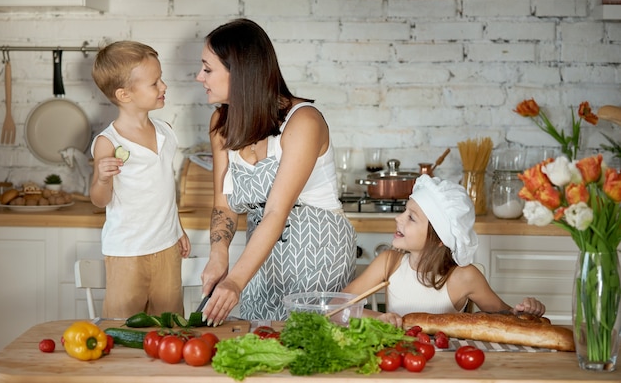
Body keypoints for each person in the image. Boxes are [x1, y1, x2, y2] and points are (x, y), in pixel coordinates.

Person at [196, 18, 356, 325]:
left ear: (240, 73)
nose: (199, 77)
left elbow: (276, 211)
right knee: (262, 344)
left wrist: (235, 281)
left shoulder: (303, 122)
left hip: (318, 256)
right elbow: (223, 204)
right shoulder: (221, 124)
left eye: (207, 68)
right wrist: (219, 257)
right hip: (260, 259)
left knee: (309, 346)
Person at [342, 174, 546, 328]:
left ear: (439, 238)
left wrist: (525, 311)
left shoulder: (464, 276)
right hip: (399, 359)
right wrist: (380, 318)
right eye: (405, 210)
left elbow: (507, 318)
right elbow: (337, 307)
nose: (398, 218)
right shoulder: (389, 262)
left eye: (411, 217)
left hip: (448, 363)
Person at [90, 40, 191, 318]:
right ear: (125, 95)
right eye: (154, 83)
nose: (164, 87)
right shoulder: (107, 142)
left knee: (170, 326)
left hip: (167, 247)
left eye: (161, 80)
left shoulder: (166, 132)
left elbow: (164, 189)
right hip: (127, 252)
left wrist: (178, 227)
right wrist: (101, 178)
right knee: (122, 326)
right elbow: (100, 200)